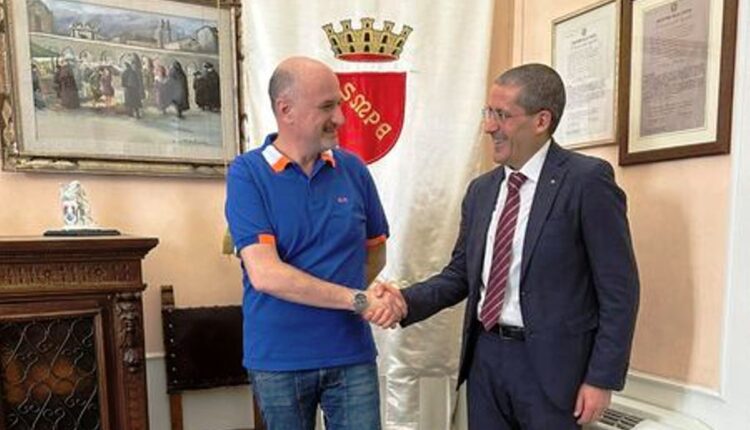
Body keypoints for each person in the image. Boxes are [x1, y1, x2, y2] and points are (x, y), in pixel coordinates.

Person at [372, 63, 639, 429]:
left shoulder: (586, 181)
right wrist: (405, 301)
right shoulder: (481, 191)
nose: (489, 126)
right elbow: (459, 275)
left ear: (541, 121)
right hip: (486, 360)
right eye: (488, 112)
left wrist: (601, 378)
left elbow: (619, 290)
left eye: (502, 115)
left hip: (554, 370)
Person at [224, 56, 404, 430]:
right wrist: (357, 299)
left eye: (339, 104)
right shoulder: (247, 174)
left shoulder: (353, 169)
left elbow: (375, 251)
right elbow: (266, 274)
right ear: (285, 110)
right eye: (327, 106)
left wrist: (357, 295)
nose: (340, 117)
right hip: (279, 361)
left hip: (350, 355)